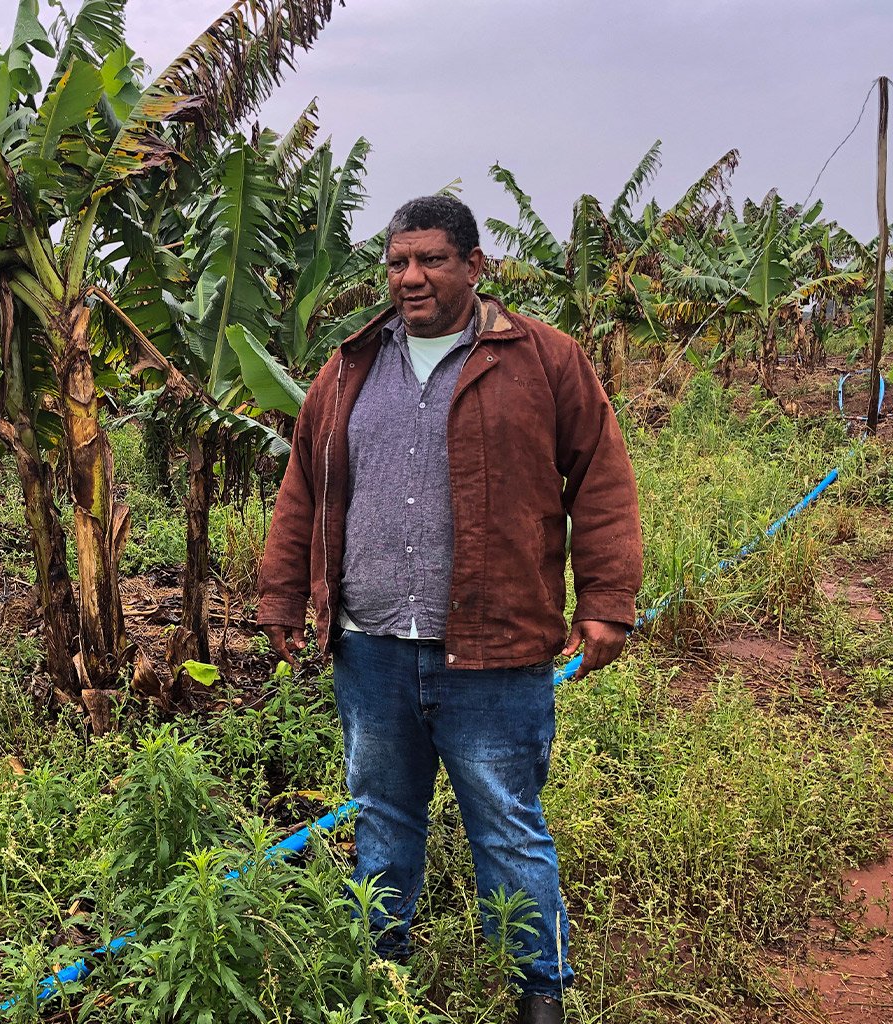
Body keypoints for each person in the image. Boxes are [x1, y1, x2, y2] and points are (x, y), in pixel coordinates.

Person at [256, 195, 642, 1024]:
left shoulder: (541, 359)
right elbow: (304, 489)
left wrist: (607, 601)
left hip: (494, 649)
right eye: (398, 262)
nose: (411, 277)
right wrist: (284, 594)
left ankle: (540, 990)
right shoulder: (353, 364)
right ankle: (381, 973)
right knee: (382, 816)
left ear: (474, 264)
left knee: (506, 823)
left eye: (431, 259)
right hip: (373, 647)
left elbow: (601, 477)